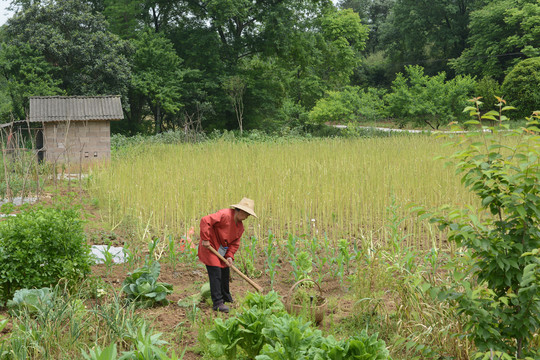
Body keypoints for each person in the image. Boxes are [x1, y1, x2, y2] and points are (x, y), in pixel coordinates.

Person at [198, 197, 257, 313]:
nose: (247, 217)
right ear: (240, 211)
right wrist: (205, 239)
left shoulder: (240, 227)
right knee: (216, 272)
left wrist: (229, 256)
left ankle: (225, 297)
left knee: (225, 271)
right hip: (209, 247)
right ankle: (218, 303)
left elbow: (235, 243)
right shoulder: (224, 215)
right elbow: (205, 220)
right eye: (246, 214)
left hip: (222, 251)